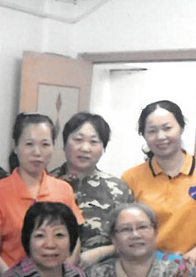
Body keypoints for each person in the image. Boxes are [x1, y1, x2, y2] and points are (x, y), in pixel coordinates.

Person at [121, 100, 196, 277]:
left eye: (167, 128)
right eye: (152, 131)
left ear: (181, 128)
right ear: (144, 135)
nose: (160, 136)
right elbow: (125, 233)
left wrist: (187, 261)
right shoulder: (131, 178)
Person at [0, 113, 84, 277]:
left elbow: (75, 242)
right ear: (16, 147)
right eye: (29, 144)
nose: (37, 152)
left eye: (45, 144)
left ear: (53, 146)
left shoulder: (63, 189)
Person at [51, 112, 134, 267]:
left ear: (103, 148)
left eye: (94, 142)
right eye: (78, 140)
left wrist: (101, 252)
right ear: (64, 143)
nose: (85, 148)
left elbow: (131, 240)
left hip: (104, 274)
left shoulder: (119, 189)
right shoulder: (47, 183)